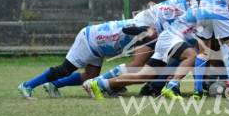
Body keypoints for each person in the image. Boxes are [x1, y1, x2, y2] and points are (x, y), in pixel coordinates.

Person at [84, 0, 199, 100]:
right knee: (191, 55)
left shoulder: (205, 11)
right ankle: (171, 86)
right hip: (170, 38)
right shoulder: (207, 10)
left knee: (142, 76)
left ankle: (99, 84)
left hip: (166, 40)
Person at [18, 19, 156, 99]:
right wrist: (145, 30)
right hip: (89, 39)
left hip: (99, 46)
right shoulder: (143, 26)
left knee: (89, 77)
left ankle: (53, 85)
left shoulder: (151, 31)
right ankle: (27, 85)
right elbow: (127, 29)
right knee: (65, 69)